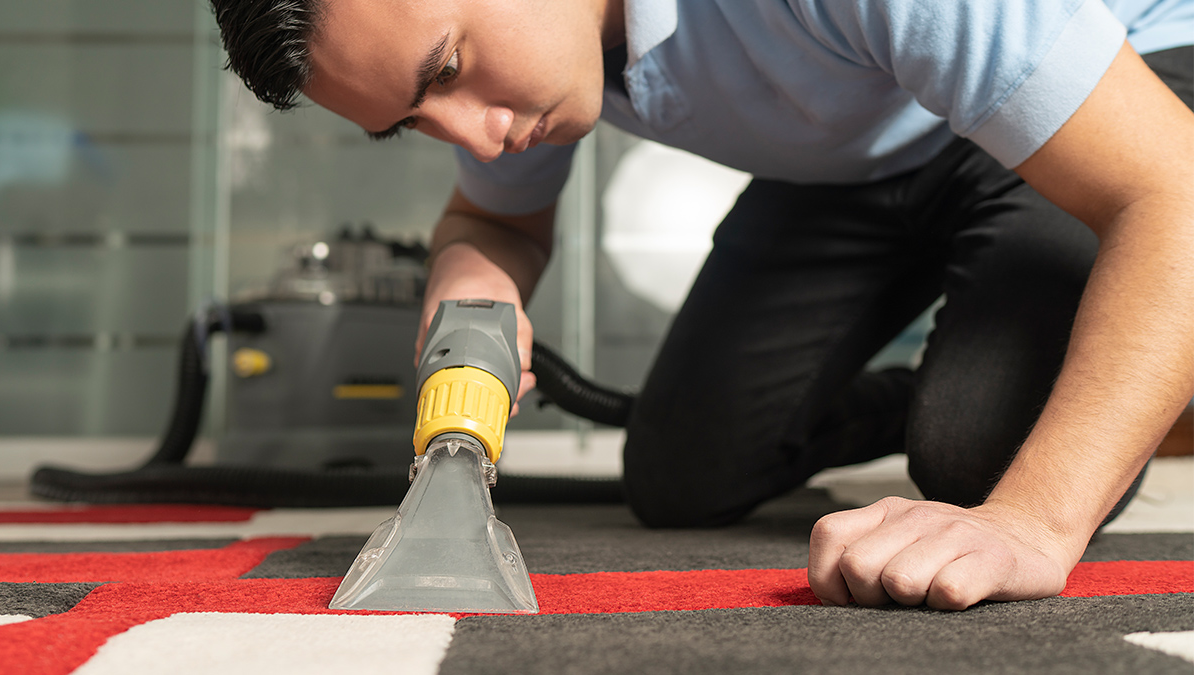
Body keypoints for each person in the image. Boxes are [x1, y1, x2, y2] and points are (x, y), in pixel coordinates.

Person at [210, 0, 1194, 610]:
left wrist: (1032, 523)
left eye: (450, 72)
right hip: (864, 151)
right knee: (685, 475)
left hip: (1125, 90)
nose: (474, 135)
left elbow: (1175, 194)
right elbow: (490, 221)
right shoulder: (541, 62)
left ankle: (1104, 381)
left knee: (980, 463)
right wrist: (474, 271)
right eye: (416, 121)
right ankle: (963, 378)